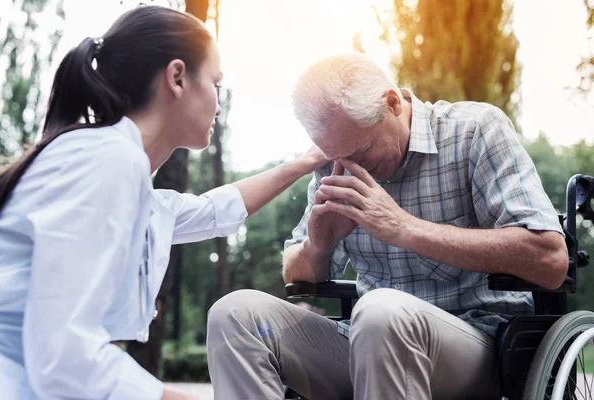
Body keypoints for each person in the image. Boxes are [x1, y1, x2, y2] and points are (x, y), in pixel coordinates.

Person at [0, 6, 328, 400]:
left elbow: (214, 210)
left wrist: (305, 162)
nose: (219, 104)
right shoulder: (108, 161)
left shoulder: (119, 169)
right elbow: (65, 360)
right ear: (177, 77)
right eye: (215, 83)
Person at [206, 54, 569, 399]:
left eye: (361, 153)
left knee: (382, 313)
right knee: (235, 315)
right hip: (366, 342)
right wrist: (318, 246)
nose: (348, 167)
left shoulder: (474, 131)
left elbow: (551, 261)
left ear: (393, 103)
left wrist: (404, 228)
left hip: (476, 346)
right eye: (336, 158)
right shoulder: (336, 160)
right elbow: (296, 278)